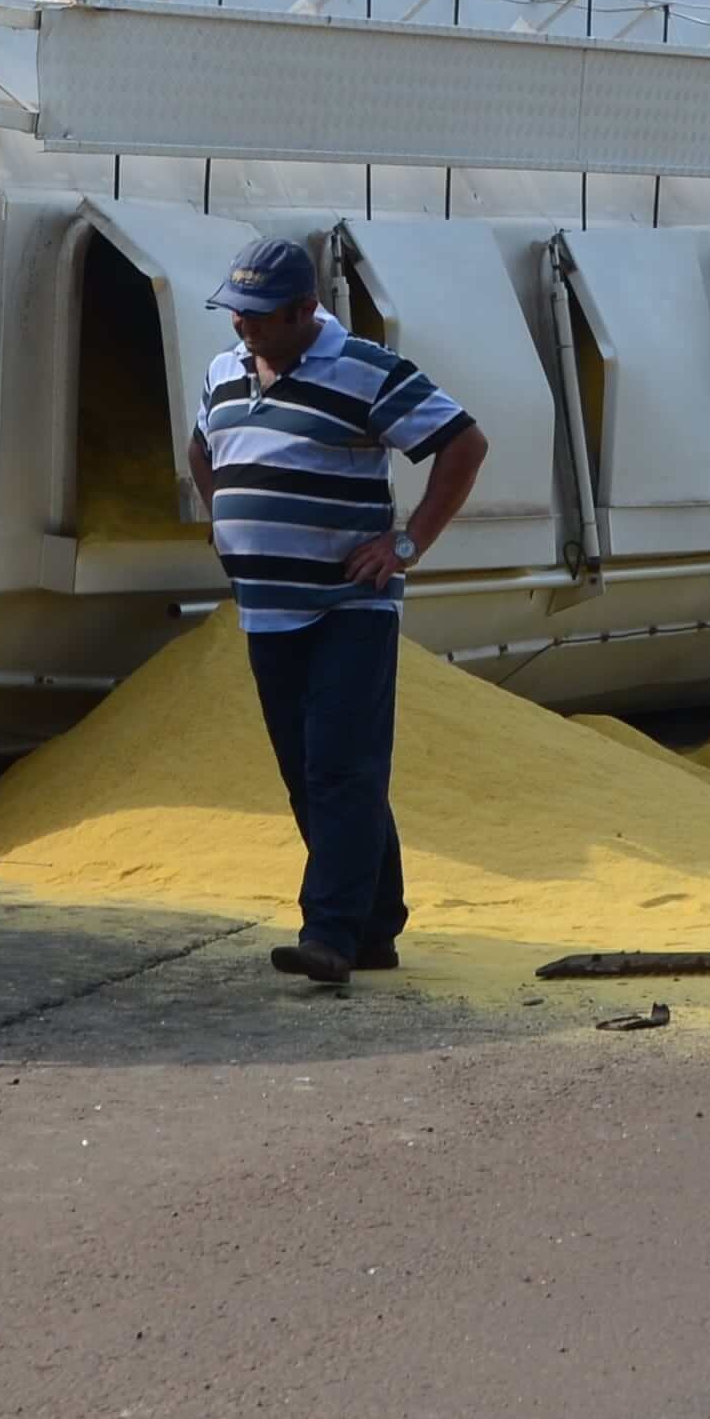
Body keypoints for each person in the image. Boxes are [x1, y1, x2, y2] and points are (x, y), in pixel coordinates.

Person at [181, 238, 488, 992]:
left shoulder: (366, 370)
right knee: (307, 774)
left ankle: (329, 934)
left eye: (258, 315)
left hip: (349, 606)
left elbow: (462, 443)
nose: (243, 326)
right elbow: (201, 448)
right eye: (235, 312)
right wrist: (226, 519)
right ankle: (376, 924)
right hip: (266, 610)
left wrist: (405, 542)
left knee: (342, 769)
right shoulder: (224, 371)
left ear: (304, 310)